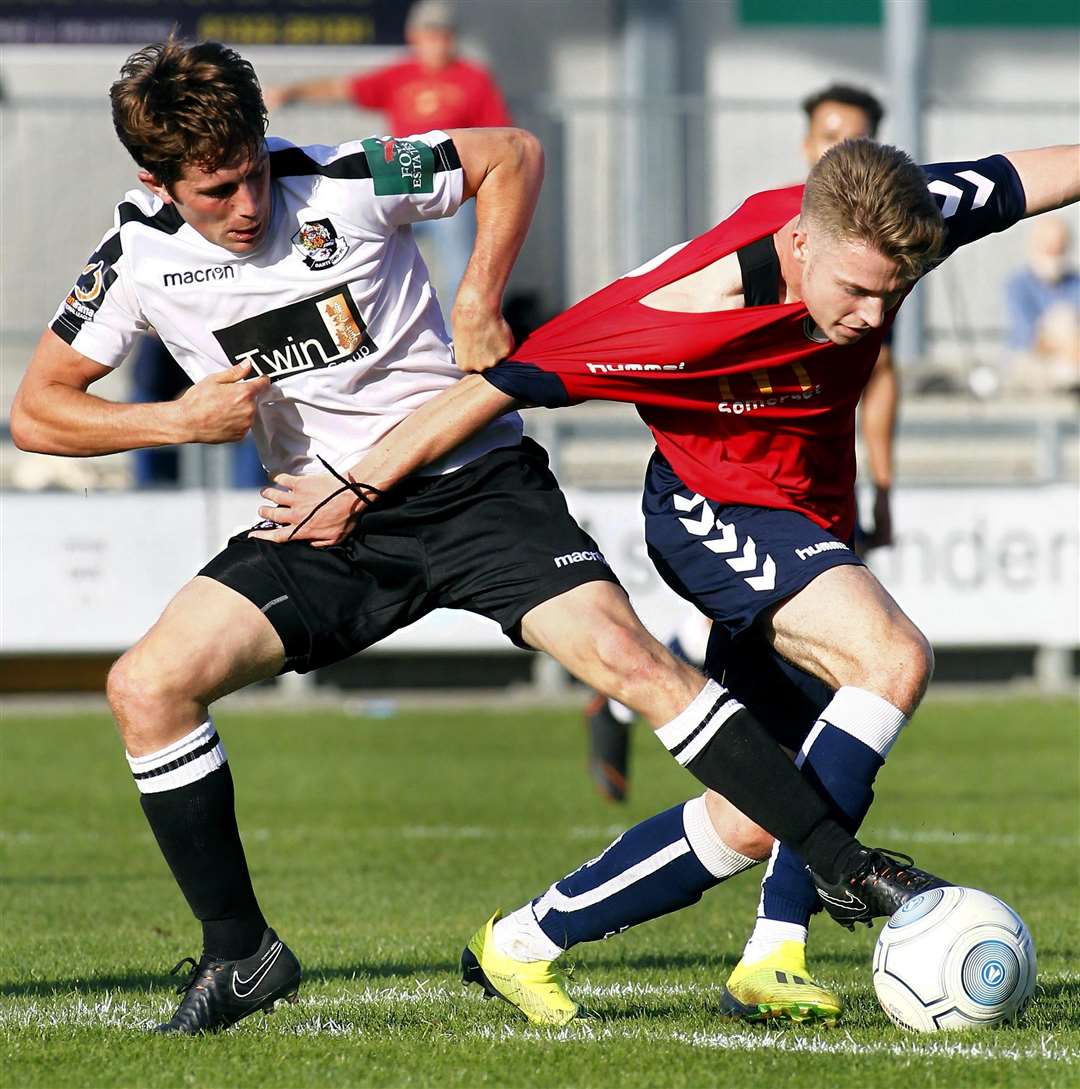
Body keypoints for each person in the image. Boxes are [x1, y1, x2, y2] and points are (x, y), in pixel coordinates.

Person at [9, 37, 933, 1036]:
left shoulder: (352, 178)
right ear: (156, 179)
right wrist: (176, 422)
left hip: (477, 485)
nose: (246, 206)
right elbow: (39, 412)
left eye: (253, 172)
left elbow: (508, 154)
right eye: (217, 191)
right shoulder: (136, 255)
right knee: (145, 687)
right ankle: (242, 955)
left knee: (628, 660)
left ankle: (845, 869)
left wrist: (478, 292)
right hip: (325, 522)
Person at [265, 138, 1079, 1027]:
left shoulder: (895, 220)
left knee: (757, 810)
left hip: (813, 519)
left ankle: (523, 941)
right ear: (802, 246)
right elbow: (488, 390)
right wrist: (355, 484)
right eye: (858, 291)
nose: (877, 317)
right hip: (710, 509)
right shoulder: (662, 315)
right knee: (890, 658)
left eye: (895, 291)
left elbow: (1023, 177)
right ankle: (775, 953)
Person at [585, 83, 897, 806]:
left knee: (785, 689)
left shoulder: (874, 259)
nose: (836, 151)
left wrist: (884, 480)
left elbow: (881, 379)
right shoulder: (762, 250)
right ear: (805, 144)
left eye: (855, 141)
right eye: (827, 137)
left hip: (815, 484)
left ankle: (632, 695)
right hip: (729, 481)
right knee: (846, 656)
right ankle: (629, 685)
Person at [264, 0, 511, 312]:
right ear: (415, 36)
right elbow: (344, 88)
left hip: (453, 189)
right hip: (400, 182)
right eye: (429, 34)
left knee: (460, 269)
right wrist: (293, 92)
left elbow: (499, 140)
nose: (436, 42)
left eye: (443, 34)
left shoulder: (473, 78)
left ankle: (461, 342)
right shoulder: (400, 74)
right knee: (360, 251)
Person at [1003, 214, 1080, 393]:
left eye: (1059, 249)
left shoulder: (1075, 283)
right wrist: (1065, 345)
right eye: (1049, 248)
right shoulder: (1018, 285)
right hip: (1033, 363)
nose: (1054, 254)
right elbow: (1027, 337)